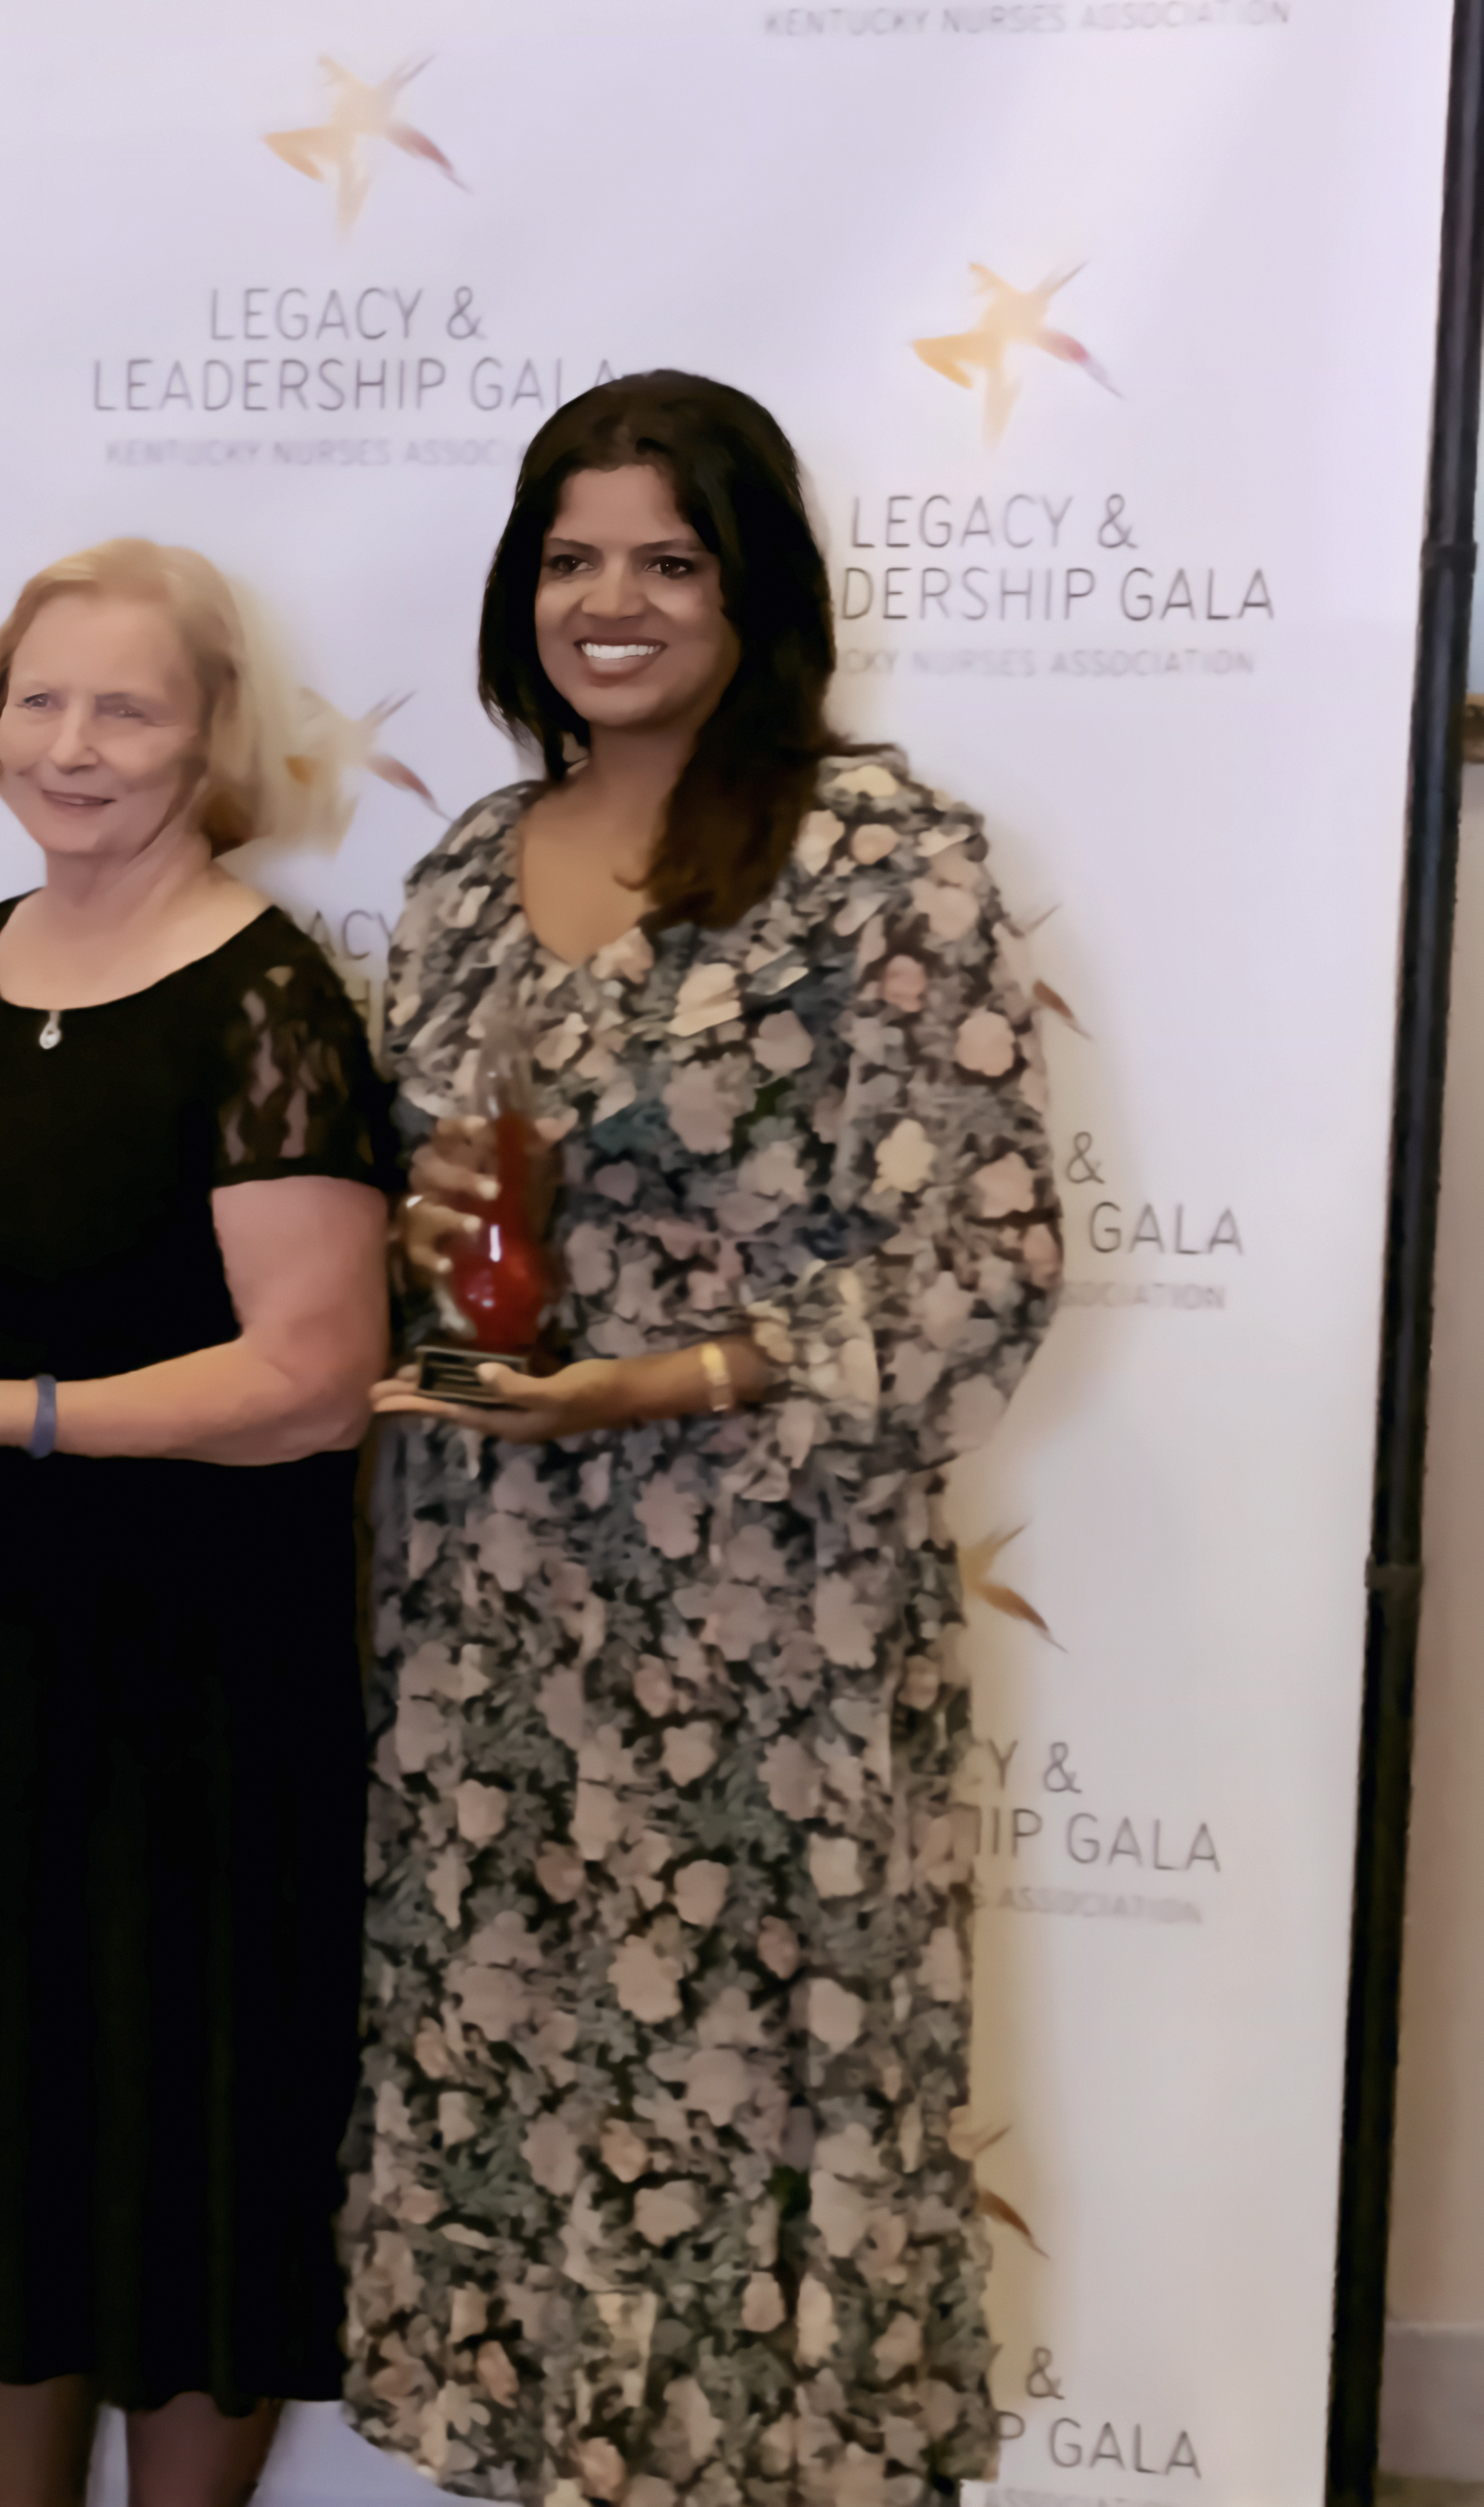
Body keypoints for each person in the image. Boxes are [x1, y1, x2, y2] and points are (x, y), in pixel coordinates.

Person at [342, 373, 1063, 2507]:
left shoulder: (879, 858)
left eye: (669, 558)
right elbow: (426, 1224)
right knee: (526, 2126)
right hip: (492, 1637)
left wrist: (667, 1379)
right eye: (572, 558)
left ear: (755, 591)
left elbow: (981, 1261)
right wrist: (418, 1232)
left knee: (754, 2149)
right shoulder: (467, 868)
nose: (613, 601)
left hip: (771, 1640)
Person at [0, 540, 390, 2507]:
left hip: (205, 1682)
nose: (74, 742)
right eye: (41, 699)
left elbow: (308, 1376)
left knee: (186, 2166)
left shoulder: (270, 993)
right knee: (9, 2150)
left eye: (127, 705)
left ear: (212, 739)